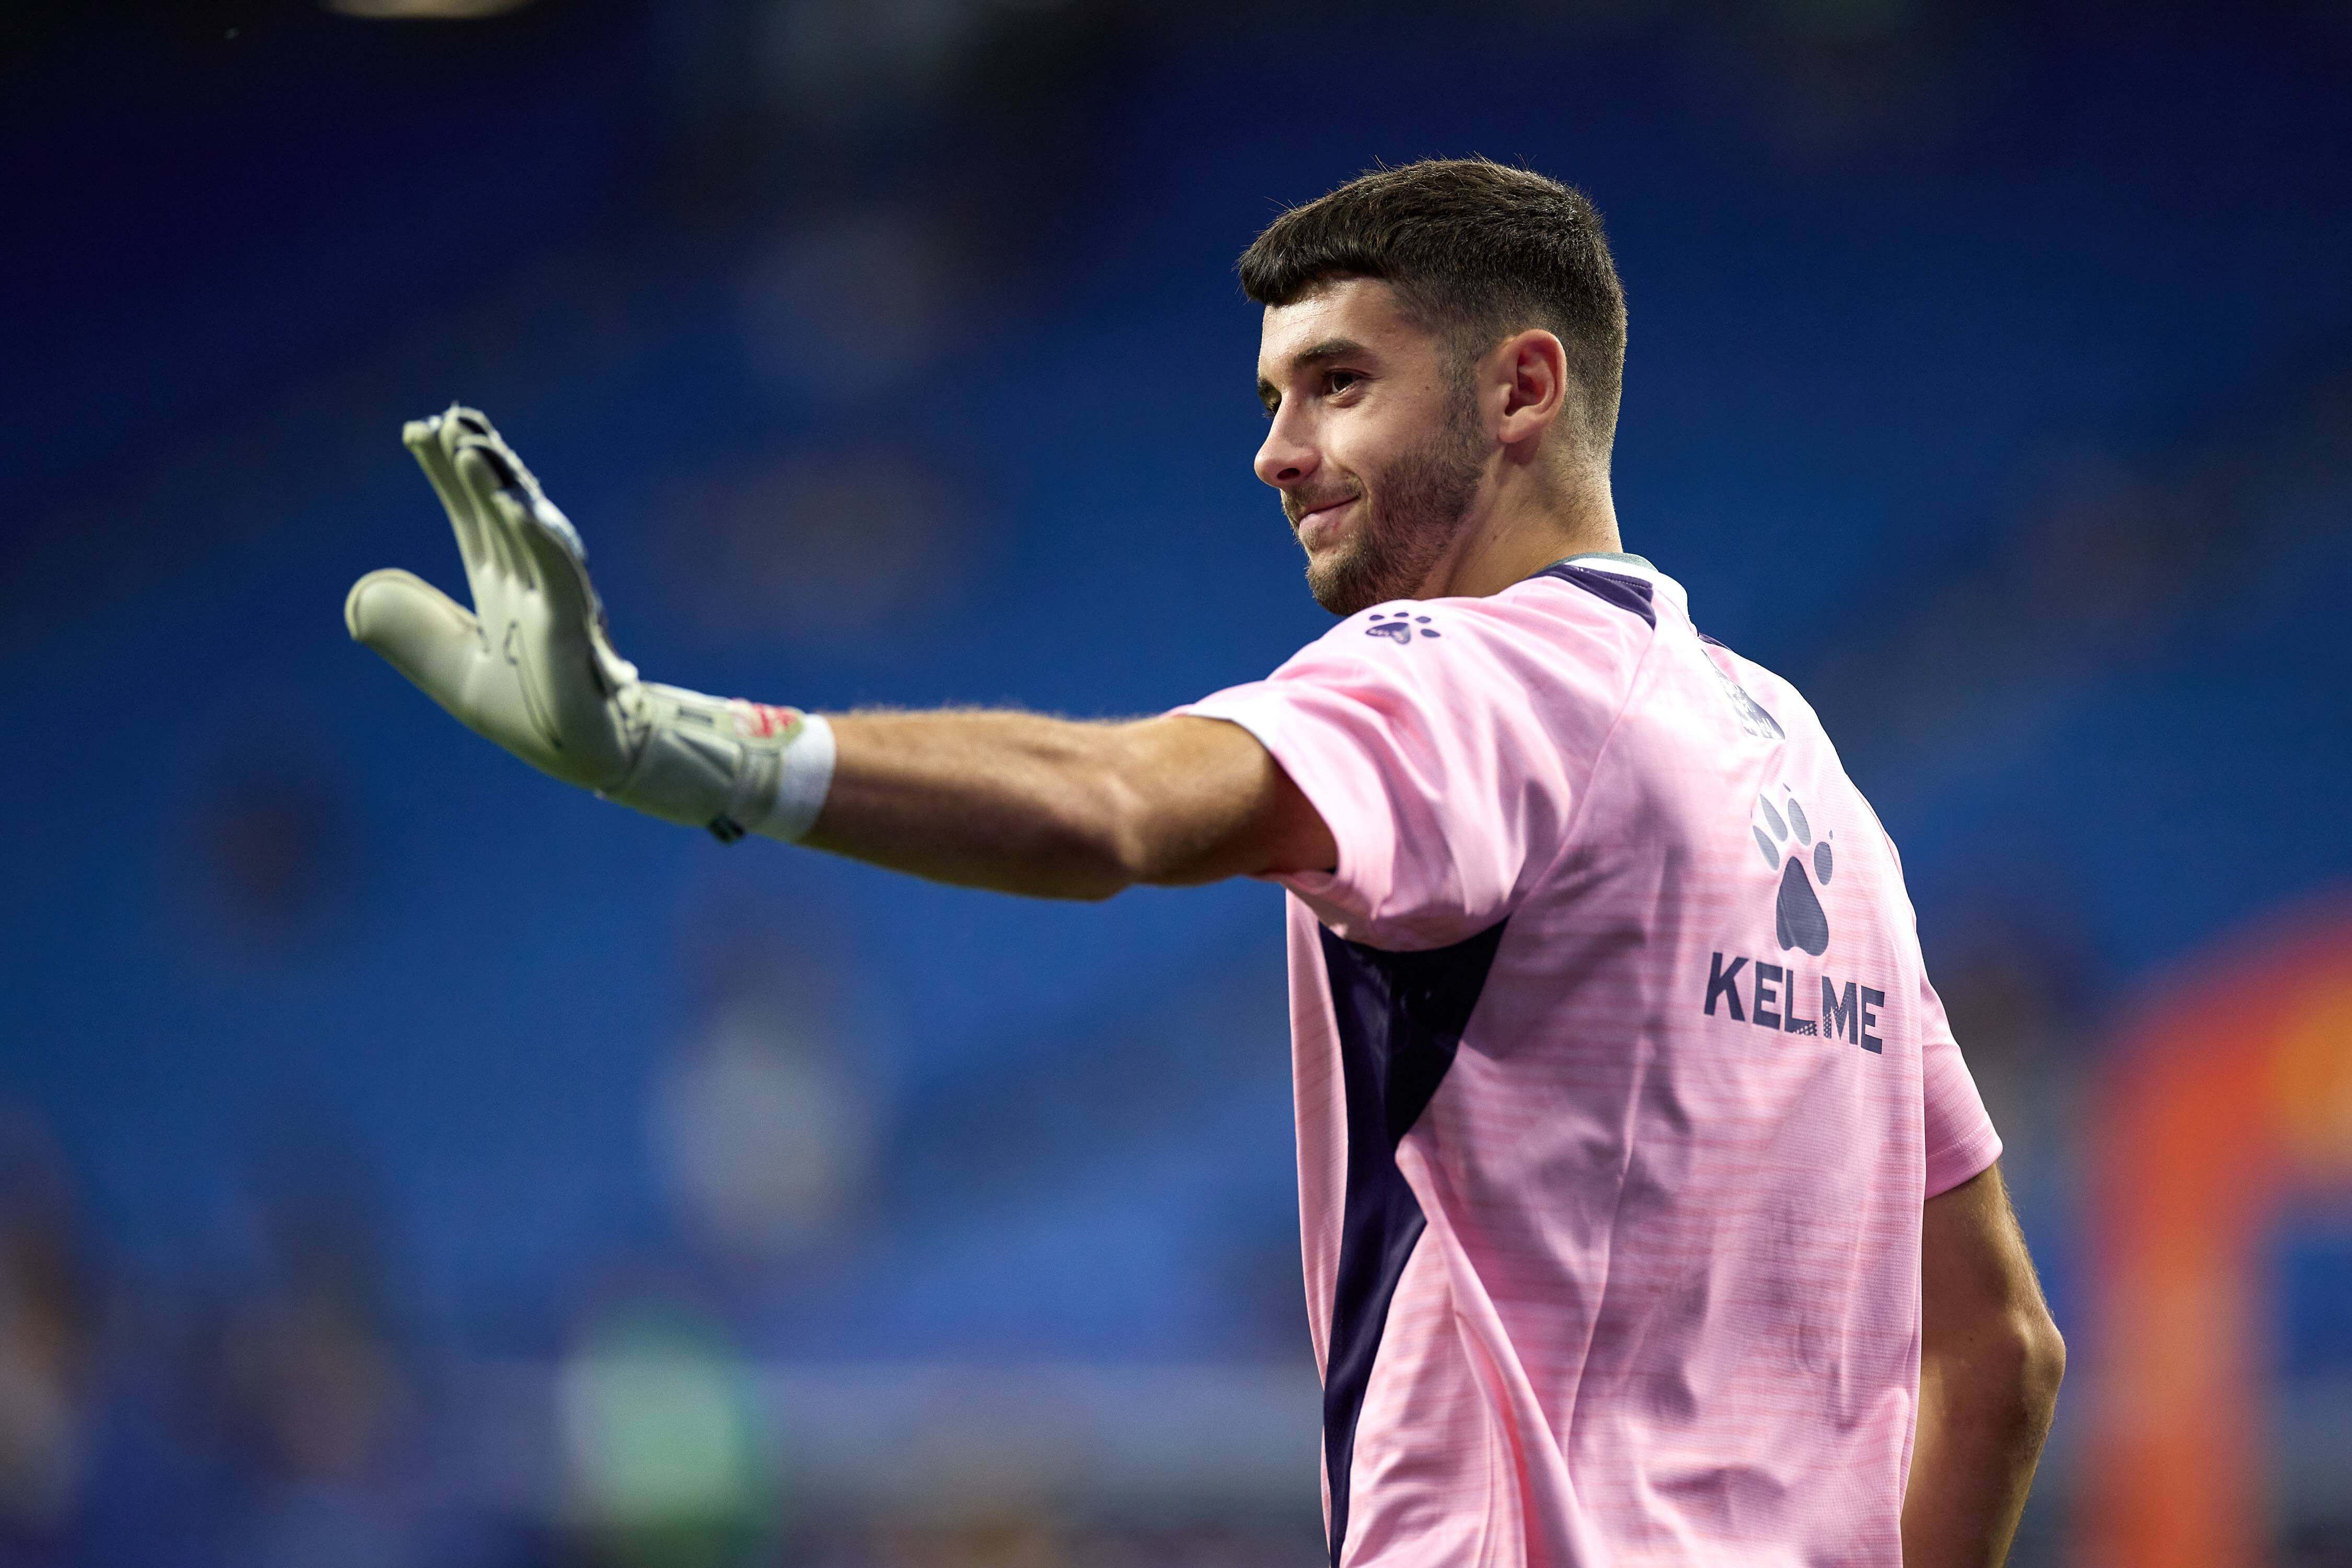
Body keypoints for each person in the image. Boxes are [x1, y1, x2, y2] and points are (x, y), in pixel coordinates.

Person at [345, 158, 2063, 1568]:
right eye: (1267, 394)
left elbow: (1110, 806)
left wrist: (674, 746)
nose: (1273, 449)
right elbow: (2001, 1354)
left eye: (1337, 383)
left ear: (1521, 388)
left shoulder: (1479, 672)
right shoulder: (1804, 777)